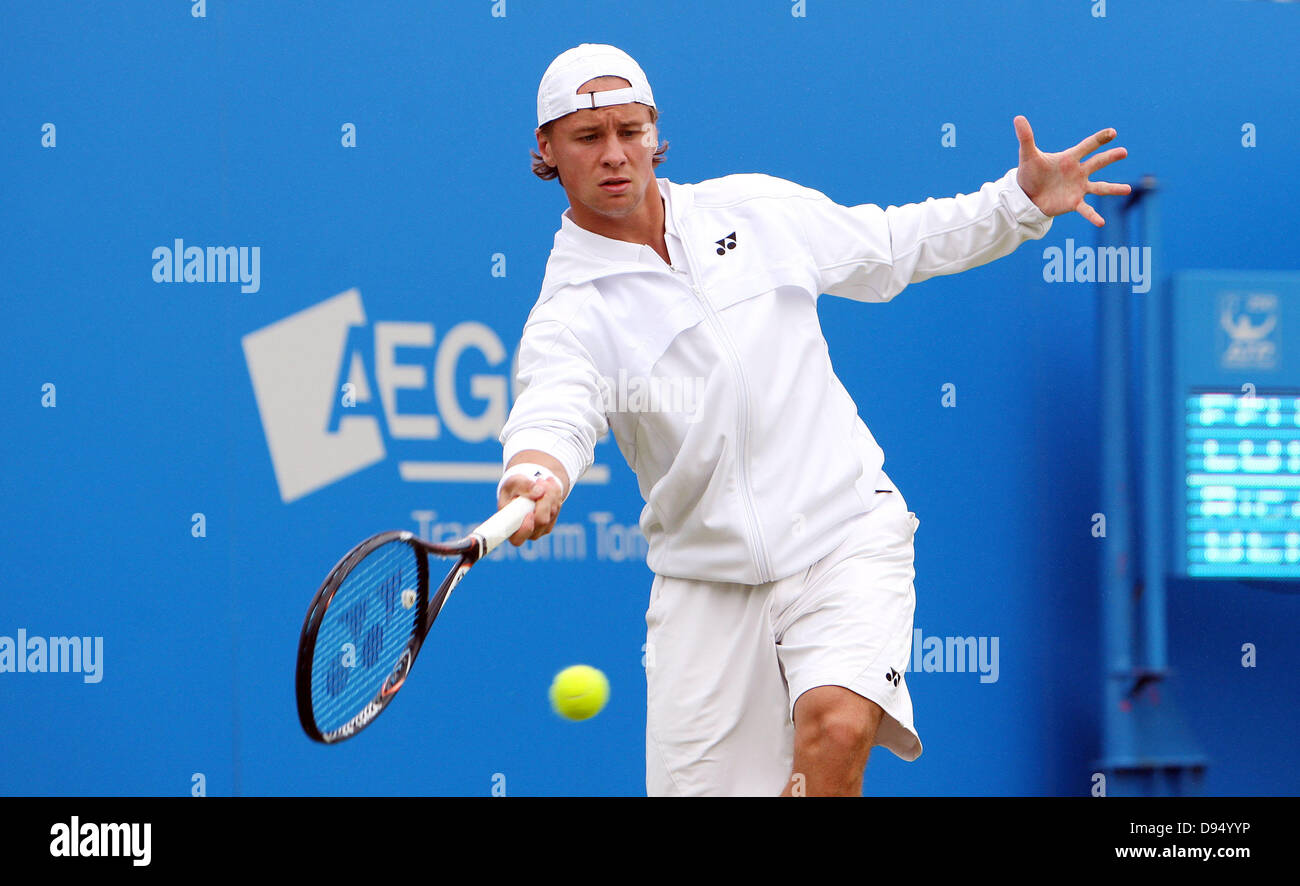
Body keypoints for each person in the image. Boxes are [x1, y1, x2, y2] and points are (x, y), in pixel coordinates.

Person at [495, 43, 1129, 796]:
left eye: (630, 131)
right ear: (547, 149)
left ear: (654, 130)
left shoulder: (752, 210)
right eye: (588, 137)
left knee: (836, 725)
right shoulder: (570, 312)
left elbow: (892, 246)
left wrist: (1016, 203)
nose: (615, 155)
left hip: (844, 533)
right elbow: (553, 406)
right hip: (707, 591)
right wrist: (534, 471)